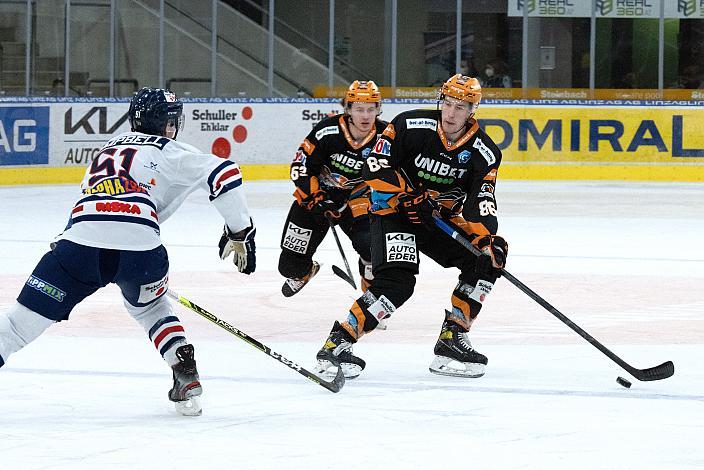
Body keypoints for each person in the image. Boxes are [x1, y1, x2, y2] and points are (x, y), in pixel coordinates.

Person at [0, 87, 256, 415]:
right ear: (165, 123)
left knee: (18, 327)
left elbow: (89, 199)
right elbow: (226, 173)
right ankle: (182, 366)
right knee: (150, 309)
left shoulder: (108, 148)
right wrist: (240, 231)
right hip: (142, 256)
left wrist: (67, 241)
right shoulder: (172, 151)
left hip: (79, 248)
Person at [315, 74, 508, 379]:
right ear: (440, 102)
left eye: (461, 106)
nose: (451, 112)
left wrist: (488, 239)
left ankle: (452, 339)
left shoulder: (485, 152)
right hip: (393, 212)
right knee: (398, 284)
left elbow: (481, 201)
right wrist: (406, 193)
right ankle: (338, 343)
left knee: (485, 261)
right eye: (447, 103)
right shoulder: (409, 124)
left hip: (435, 219)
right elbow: (374, 165)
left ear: (473, 110)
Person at [278, 80, 387, 296]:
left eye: (370, 109)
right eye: (359, 109)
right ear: (347, 109)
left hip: (358, 200)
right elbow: (300, 166)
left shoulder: (387, 135)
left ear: (378, 109)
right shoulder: (328, 130)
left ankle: (371, 296)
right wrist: (316, 196)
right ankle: (305, 271)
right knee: (289, 267)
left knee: (371, 249)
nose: (365, 116)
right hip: (317, 198)